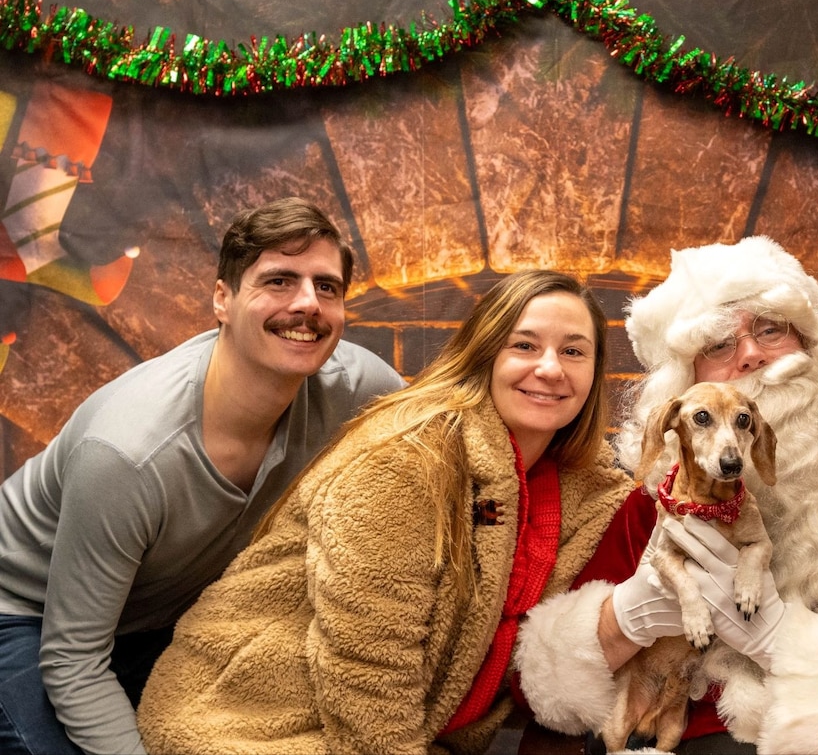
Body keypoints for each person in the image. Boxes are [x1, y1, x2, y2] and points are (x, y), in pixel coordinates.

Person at [515, 236, 818, 754]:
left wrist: (779, 639)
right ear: (686, 385)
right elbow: (536, 693)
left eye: (771, 329)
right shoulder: (659, 501)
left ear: (813, 345)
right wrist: (623, 619)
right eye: (718, 344)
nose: (751, 355)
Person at [136, 269, 633, 755]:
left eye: (573, 351)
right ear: (484, 352)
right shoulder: (408, 459)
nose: (550, 369)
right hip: (248, 723)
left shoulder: (585, 490)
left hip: (403, 734)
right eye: (524, 345)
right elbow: (367, 664)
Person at [0, 197, 405, 755]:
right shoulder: (129, 453)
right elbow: (73, 660)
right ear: (222, 299)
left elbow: (448, 445)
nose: (308, 303)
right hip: (26, 616)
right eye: (279, 281)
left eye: (327, 287)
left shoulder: (357, 386)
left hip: (161, 620)